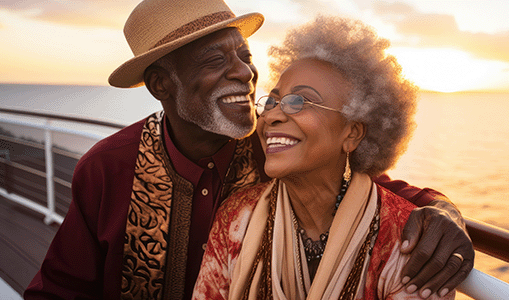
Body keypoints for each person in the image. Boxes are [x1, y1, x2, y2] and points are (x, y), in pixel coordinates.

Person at [24, 0, 473, 299]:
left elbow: (364, 185)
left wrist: (445, 212)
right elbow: (61, 290)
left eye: (245, 56)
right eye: (216, 60)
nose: (245, 73)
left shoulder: (275, 152)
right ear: (162, 84)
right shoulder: (108, 168)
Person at [192, 16, 461, 299]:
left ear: (352, 134)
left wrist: (444, 208)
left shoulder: (405, 243)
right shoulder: (234, 218)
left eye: (299, 101)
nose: (271, 115)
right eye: (270, 101)